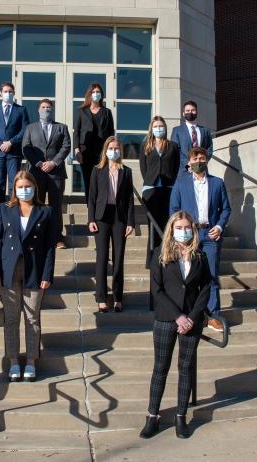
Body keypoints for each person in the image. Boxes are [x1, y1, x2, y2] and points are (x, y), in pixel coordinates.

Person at [140, 211, 211, 440]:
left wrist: (192, 316)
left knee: (186, 368)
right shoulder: (160, 254)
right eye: (179, 227)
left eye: (187, 227)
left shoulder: (201, 255)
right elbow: (156, 289)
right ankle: (153, 415)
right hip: (166, 319)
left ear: (193, 229)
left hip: (192, 320)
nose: (183, 231)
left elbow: (206, 287)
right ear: (172, 229)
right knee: (161, 368)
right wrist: (177, 316)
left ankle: (181, 415)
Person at [0, 171, 55, 382]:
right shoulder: (4, 209)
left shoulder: (45, 211)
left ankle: (31, 361)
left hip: (34, 271)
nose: (24, 190)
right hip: (9, 270)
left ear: (34, 187)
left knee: (32, 318)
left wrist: (47, 274)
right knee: (11, 318)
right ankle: (13, 362)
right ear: (14, 189)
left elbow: (49, 247)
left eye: (28, 186)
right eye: (20, 187)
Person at [169, 147, 230, 332]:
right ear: (189, 161)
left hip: (210, 235)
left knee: (210, 275)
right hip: (189, 235)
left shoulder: (218, 183)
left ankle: (213, 315)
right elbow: (173, 209)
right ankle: (190, 313)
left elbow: (226, 209)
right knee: (187, 275)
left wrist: (219, 227)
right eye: (195, 158)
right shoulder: (181, 183)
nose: (199, 161)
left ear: (207, 160)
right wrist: (180, 231)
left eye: (202, 158)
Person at [87, 136, 135, 313]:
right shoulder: (97, 170)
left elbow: (129, 198)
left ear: (120, 151)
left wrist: (131, 221)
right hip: (101, 216)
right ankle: (101, 298)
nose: (114, 151)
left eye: (117, 148)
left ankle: (117, 297)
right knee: (101, 258)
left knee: (119, 257)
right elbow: (91, 197)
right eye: (111, 148)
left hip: (119, 217)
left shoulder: (126, 171)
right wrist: (91, 219)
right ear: (105, 150)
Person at [22, 98, 71, 249]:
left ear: (52, 109)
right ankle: (38, 234)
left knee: (55, 206)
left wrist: (53, 162)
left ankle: (57, 237)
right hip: (36, 173)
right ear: (38, 110)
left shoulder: (61, 127)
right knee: (38, 204)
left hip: (56, 172)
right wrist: (38, 163)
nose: (46, 109)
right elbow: (26, 147)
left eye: (48, 107)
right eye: (43, 107)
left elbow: (66, 146)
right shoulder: (30, 128)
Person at [139, 116, 180, 268]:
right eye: (155, 126)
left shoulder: (173, 146)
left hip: (168, 189)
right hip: (151, 190)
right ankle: (152, 261)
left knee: (166, 224)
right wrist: (150, 181)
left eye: (161, 126)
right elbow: (144, 168)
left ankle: (167, 256)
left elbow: (175, 167)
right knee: (153, 226)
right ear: (151, 128)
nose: (158, 129)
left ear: (165, 128)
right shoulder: (145, 145)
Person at [0, 82, 30, 210]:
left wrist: (11, 142)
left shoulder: (21, 110)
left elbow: (25, 129)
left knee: (14, 184)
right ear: (0, 93)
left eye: (10, 91)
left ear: (14, 93)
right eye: (5, 91)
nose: (8, 94)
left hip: (14, 153)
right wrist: (0, 144)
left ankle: (13, 210)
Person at [73, 82, 115, 202]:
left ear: (101, 95)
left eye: (98, 92)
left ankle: (100, 212)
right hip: (85, 153)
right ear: (89, 94)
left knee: (101, 182)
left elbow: (111, 134)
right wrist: (77, 150)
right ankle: (90, 214)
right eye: (93, 92)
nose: (96, 94)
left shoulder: (107, 112)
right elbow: (77, 131)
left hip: (102, 153)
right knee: (89, 181)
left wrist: (111, 151)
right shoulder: (82, 111)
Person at [170, 100, 213, 174]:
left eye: (193, 110)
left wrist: (202, 162)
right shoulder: (177, 130)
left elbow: (209, 148)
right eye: (187, 110)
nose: (190, 112)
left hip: (202, 170)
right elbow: (175, 150)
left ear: (196, 112)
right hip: (185, 170)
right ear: (183, 113)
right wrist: (188, 164)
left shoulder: (205, 131)